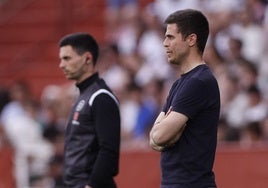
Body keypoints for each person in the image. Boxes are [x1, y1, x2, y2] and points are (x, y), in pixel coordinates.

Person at [149, 9, 221, 188]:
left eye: (171, 37)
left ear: (191, 39)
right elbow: (154, 137)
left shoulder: (198, 82)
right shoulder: (180, 83)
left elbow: (159, 135)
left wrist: (164, 133)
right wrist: (163, 133)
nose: (165, 43)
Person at [58, 32, 121, 188]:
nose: (61, 65)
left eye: (67, 58)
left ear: (87, 58)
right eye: (61, 59)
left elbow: (109, 151)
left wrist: (91, 185)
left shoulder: (100, 97)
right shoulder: (84, 96)